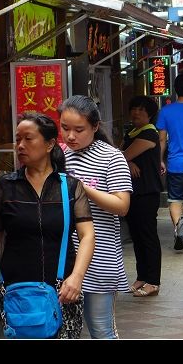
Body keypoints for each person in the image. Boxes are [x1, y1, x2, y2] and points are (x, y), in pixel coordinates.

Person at [0, 113, 95, 339]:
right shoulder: (7, 186)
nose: (20, 145)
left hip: (63, 287)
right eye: (18, 139)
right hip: (15, 288)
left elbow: (87, 235)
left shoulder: (69, 187)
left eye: (28, 139)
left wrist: (77, 276)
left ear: (49, 144)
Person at [58, 95, 131, 339]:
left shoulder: (111, 157)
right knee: (63, 330)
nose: (70, 136)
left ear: (95, 127)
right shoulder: (59, 156)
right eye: (65, 128)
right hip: (64, 259)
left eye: (79, 130)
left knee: (101, 329)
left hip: (100, 259)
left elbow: (122, 206)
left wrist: (81, 187)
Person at [156, 71, 183, 251]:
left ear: (175, 90)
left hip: (175, 163)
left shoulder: (166, 111)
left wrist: (160, 160)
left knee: (175, 199)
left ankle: (178, 230)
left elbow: (161, 140)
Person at [122, 96, 163, 298]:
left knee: (147, 237)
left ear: (149, 114)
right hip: (133, 192)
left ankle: (153, 281)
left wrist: (126, 160)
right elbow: (123, 156)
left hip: (147, 192)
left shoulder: (148, 133)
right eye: (133, 108)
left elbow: (122, 155)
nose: (136, 113)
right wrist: (127, 163)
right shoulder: (132, 132)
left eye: (140, 109)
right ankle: (142, 276)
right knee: (137, 236)